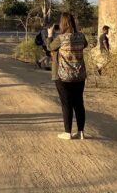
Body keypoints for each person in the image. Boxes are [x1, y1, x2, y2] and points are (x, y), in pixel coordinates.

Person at [48, 12, 88, 140]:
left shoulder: (61, 38)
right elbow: (85, 45)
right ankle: (81, 132)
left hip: (63, 76)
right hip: (79, 75)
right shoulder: (81, 36)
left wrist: (49, 35)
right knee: (78, 103)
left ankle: (67, 132)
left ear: (62, 23)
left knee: (66, 103)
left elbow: (50, 47)